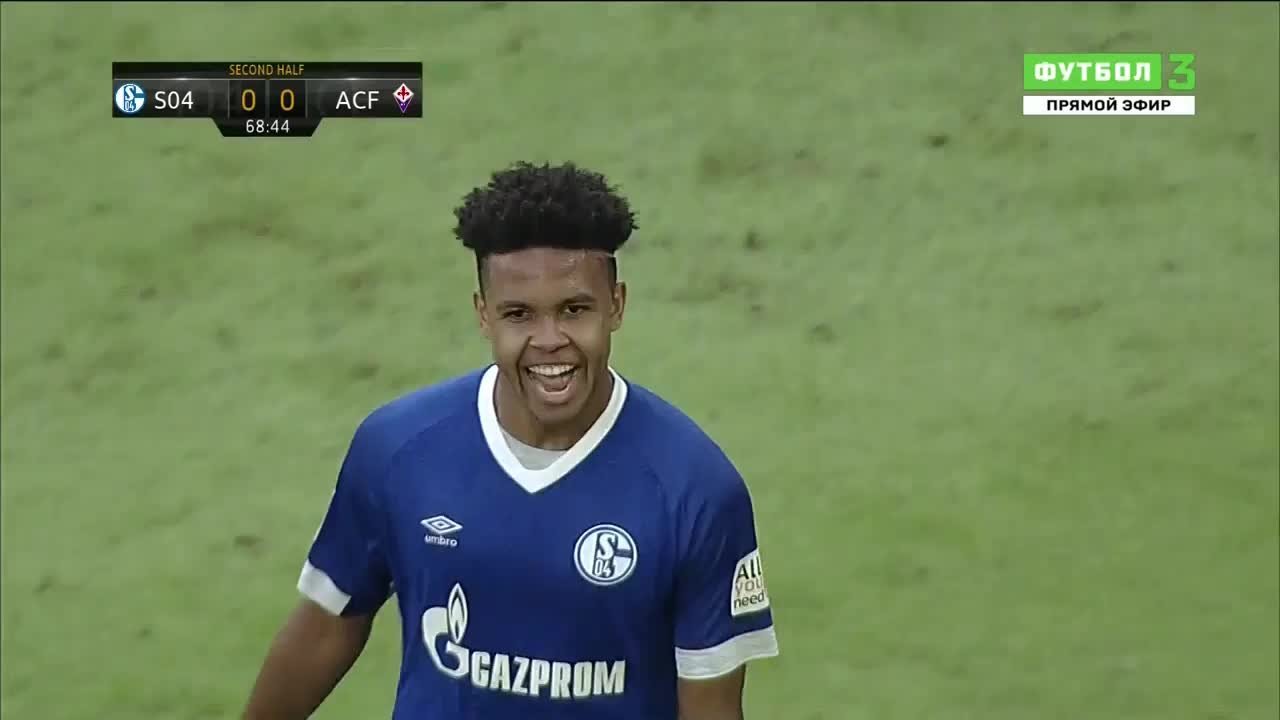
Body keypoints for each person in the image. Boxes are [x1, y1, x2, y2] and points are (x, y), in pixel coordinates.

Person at [242, 161, 779, 719]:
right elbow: (325, 629)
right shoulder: (398, 450)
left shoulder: (695, 489)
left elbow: (712, 708)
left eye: (574, 310)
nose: (549, 340)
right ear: (483, 315)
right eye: (519, 314)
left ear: (616, 305)